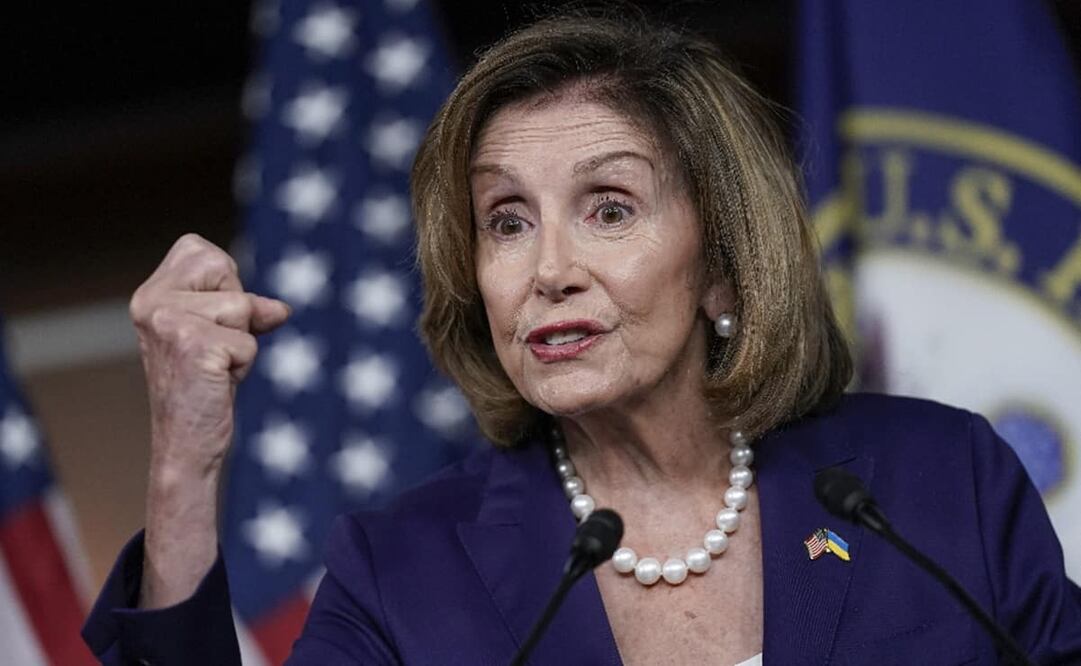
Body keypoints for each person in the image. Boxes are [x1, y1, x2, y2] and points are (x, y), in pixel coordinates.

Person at [82, 11, 1081, 665]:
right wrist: (184, 462)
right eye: (506, 221)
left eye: (608, 208)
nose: (547, 269)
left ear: (722, 262)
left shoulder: (936, 483)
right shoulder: (404, 573)